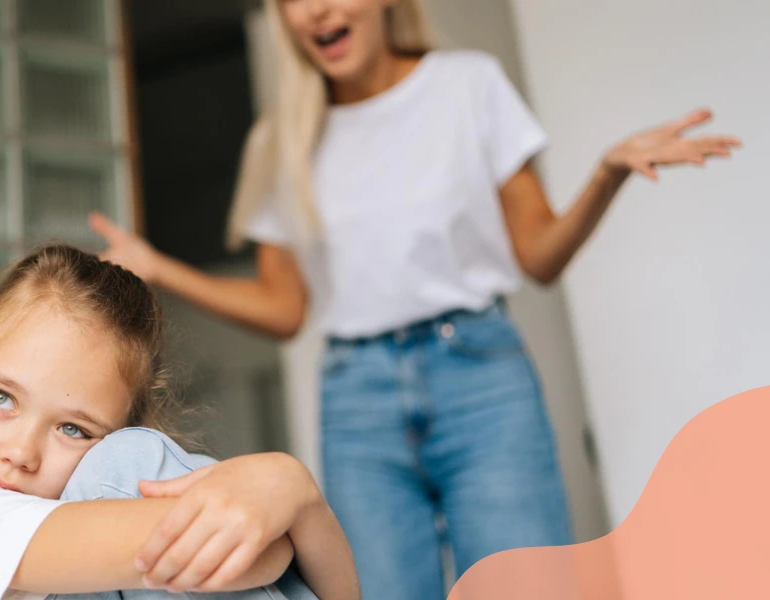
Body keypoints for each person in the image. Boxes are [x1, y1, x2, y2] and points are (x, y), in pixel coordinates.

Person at [85, 1, 742, 598]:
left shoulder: (468, 86)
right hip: (357, 398)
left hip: (482, 378)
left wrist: (606, 174)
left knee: (526, 587)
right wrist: (157, 268)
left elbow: (540, 256)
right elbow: (284, 309)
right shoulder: (282, 139)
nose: (314, 11)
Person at [0, 244, 359, 600]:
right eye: (1, 397)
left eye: (73, 430)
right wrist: (280, 500)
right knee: (129, 468)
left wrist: (299, 497)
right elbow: (250, 555)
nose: (21, 452)